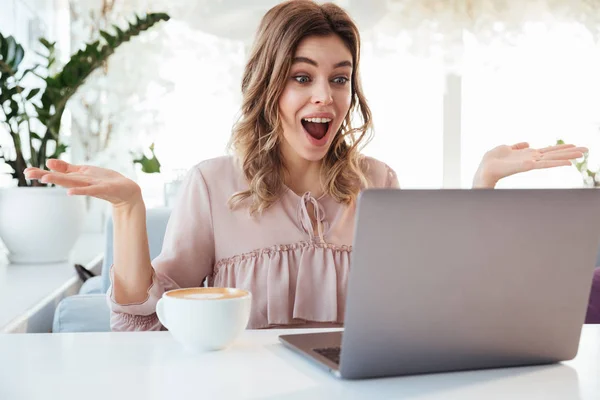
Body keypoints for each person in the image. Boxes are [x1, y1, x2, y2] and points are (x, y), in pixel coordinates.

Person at [25, 0, 586, 331]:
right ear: (269, 85)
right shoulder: (213, 183)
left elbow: (439, 302)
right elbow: (146, 319)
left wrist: (483, 181)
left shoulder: (379, 183)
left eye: (339, 78)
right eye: (301, 76)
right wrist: (129, 208)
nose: (325, 96)